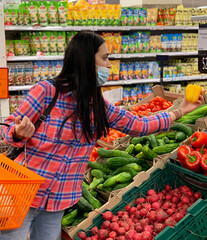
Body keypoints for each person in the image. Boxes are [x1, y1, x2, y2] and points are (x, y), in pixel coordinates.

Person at [1, 32, 203, 240]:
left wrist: (181, 111)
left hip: (57, 200)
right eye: (105, 58)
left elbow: (139, 124)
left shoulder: (97, 106)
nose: (109, 65)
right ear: (86, 61)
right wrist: (17, 131)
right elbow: (7, 127)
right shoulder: (46, 91)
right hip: (22, 194)